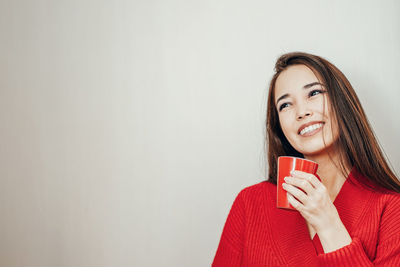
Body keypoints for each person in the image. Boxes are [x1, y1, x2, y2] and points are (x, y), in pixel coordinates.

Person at [212, 52, 400, 266]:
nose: (301, 112)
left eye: (314, 93)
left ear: (342, 102)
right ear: (279, 127)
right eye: (285, 105)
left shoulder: (391, 208)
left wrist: (329, 225)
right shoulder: (250, 203)